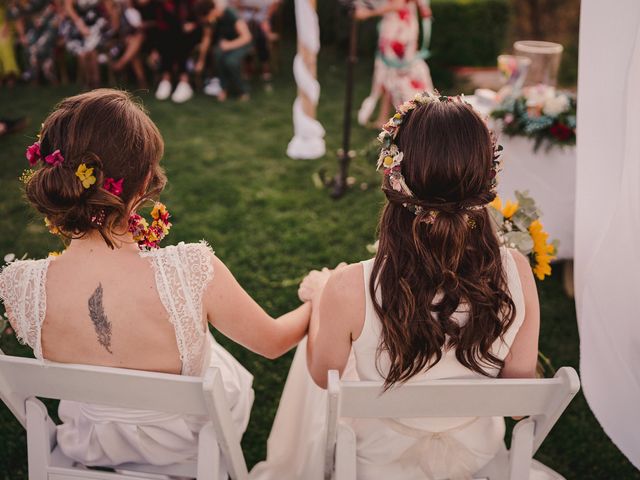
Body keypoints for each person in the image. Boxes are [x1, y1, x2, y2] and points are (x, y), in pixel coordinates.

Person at [0, 89, 311, 475]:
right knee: (213, 355)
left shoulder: (19, 288)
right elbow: (273, 342)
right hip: (183, 446)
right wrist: (319, 297)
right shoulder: (191, 270)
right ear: (144, 180)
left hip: (90, 443)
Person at [251, 93, 541, 480]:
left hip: (378, 463)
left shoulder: (349, 287)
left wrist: (322, 298)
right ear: (487, 176)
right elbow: (521, 402)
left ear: (392, 174)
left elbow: (323, 377)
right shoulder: (516, 271)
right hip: (476, 458)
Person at [356, 0, 434, 127]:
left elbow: (398, 4)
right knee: (389, 72)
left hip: (397, 29)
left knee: (398, 73)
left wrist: (368, 13)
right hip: (405, 24)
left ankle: (414, 116)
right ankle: (385, 117)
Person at [195, 0, 251, 101]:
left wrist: (229, 45)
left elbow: (247, 37)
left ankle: (243, 90)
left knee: (230, 61)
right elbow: (207, 38)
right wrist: (201, 60)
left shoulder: (230, 13)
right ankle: (224, 88)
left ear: (212, 11)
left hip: (242, 44)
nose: (207, 20)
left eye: (207, 18)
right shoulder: (212, 19)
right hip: (226, 44)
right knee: (217, 54)